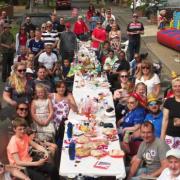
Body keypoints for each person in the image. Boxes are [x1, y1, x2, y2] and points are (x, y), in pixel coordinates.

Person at [161, 77, 180, 150]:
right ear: (172, 88)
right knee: (169, 159)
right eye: (175, 86)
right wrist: (162, 137)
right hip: (170, 137)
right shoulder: (168, 101)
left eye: (179, 86)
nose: (178, 88)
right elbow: (165, 120)